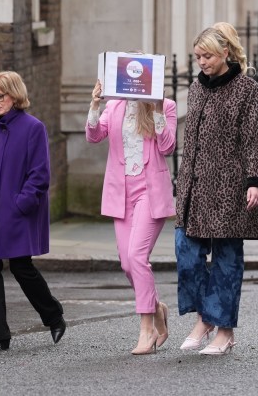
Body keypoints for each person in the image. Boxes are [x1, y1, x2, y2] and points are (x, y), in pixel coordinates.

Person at [174, 22, 258, 356]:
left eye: (208, 56)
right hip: (195, 188)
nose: (202, 62)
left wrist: (255, 181)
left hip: (230, 187)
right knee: (186, 253)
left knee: (227, 258)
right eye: (198, 56)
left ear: (225, 52)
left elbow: (255, 138)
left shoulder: (247, 89)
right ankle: (205, 318)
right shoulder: (195, 89)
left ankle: (224, 330)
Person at [0, 71, 66, 352]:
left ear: (15, 95)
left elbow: (40, 174)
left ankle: (53, 315)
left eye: (0, 96)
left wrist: (22, 203)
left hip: (16, 211)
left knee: (22, 267)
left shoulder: (33, 128)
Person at [86, 76, 176, 355]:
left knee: (137, 256)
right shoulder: (114, 107)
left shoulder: (166, 105)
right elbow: (93, 136)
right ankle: (156, 307)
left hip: (150, 190)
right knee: (127, 263)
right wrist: (95, 104)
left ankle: (147, 329)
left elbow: (167, 147)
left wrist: (157, 108)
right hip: (121, 192)